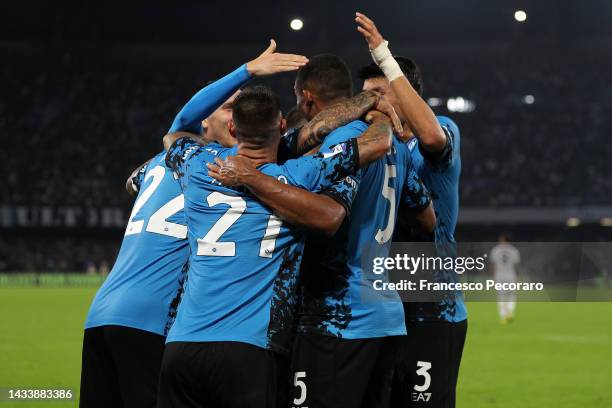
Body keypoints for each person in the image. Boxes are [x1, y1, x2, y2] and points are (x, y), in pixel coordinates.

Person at [79, 41, 308, 408]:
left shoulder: (168, 159)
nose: (239, 117)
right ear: (213, 121)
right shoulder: (227, 163)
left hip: (103, 314)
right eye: (231, 108)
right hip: (153, 319)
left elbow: (176, 129)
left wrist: (246, 70)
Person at [209, 53, 435, 408]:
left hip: (337, 320)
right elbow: (427, 219)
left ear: (307, 99)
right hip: (386, 317)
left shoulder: (341, 141)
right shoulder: (395, 146)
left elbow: (326, 215)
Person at [157, 79, 398, 408]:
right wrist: (378, 113)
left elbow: (174, 135)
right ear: (282, 124)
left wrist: (245, 70)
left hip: (182, 347)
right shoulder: (301, 174)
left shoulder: (200, 164)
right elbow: (378, 144)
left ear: (232, 126)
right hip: (251, 350)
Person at [355, 12, 467, 408]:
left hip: (431, 311)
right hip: (377, 311)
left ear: (407, 95)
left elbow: (432, 137)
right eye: (364, 95)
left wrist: (384, 55)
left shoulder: (441, 130)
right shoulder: (362, 147)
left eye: (379, 93)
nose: (370, 104)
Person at [490, 234, 521, 324]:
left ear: (502, 240)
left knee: (501, 296)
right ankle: (510, 312)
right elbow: (516, 263)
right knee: (512, 295)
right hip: (510, 274)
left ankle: (503, 316)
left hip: (499, 275)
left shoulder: (496, 250)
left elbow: (493, 265)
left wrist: (493, 277)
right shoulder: (513, 250)